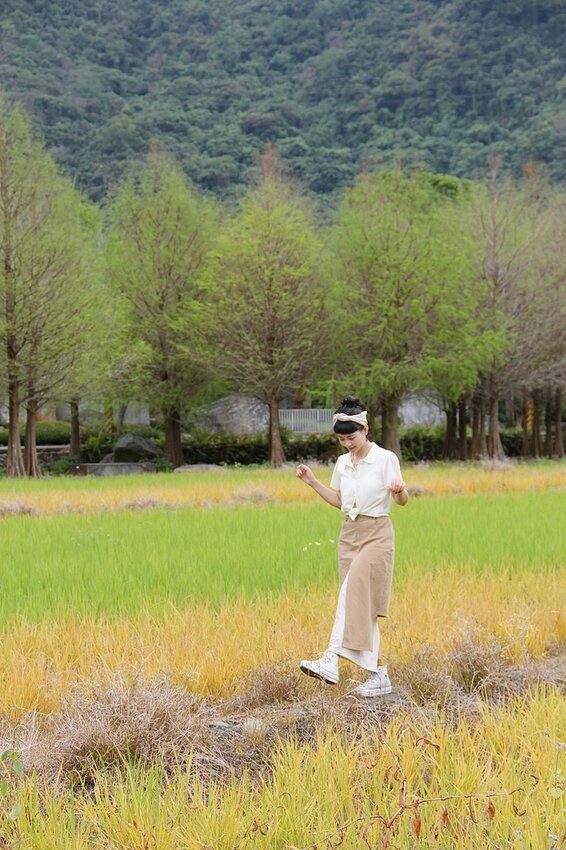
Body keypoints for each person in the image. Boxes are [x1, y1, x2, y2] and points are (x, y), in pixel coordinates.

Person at [296, 396, 408, 697]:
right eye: (342, 438)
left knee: (350, 595)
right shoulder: (343, 463)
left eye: (351, 436)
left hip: (377, 534)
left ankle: (331, 659)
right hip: (349, 535)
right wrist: (312, 483)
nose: (347, 443)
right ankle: (379, 674)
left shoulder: (386, 459)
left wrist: (399, 492)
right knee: (361, 606)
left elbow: (401, 500)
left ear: (366, 429)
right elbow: (341, 502)